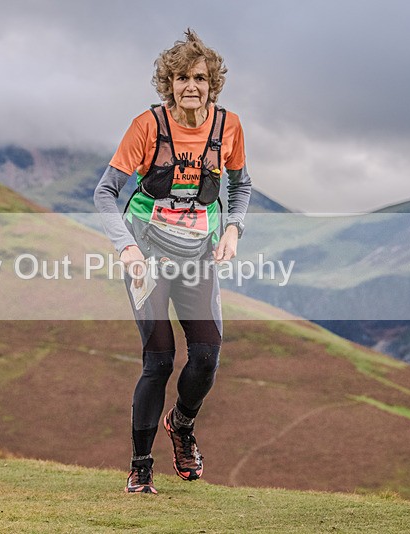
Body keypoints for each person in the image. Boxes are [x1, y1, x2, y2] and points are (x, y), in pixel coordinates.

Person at [94, 30, 252, 494]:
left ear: (212, 83)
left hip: (198, 255)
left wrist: (233, 229)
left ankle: (181, 424)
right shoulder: (147, 126)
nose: (191, 87)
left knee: (205, 358)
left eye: (199, 78)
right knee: (159, 360)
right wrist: (126, 248)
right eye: (181, 78)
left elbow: (241, 185)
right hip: (146, 254)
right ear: (169, 84)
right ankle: (141, 468)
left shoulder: (228, 127)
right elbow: (105, 193)